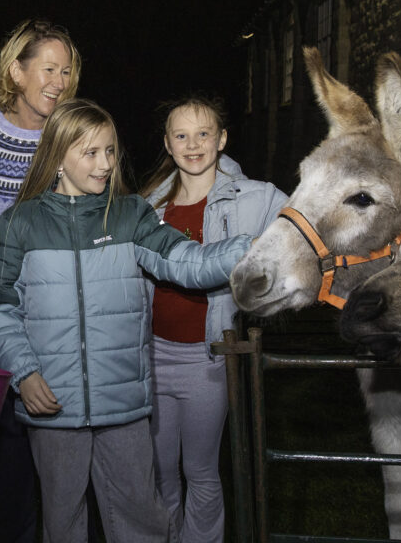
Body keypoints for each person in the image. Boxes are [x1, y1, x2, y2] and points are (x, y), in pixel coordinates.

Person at [0, 98, 255, 543]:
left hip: (123, 407)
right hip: (53, 406)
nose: (105, 164)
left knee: (141, 520)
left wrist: (255, 247)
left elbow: (189, 263)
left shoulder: (130, 215)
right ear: (58, 156)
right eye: (91, 153)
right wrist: (24, 374)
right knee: (62, 522)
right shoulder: (20, 223)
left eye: (110, 151)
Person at [0, 19, 81, 543]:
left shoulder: (71, 137)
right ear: (17, 71)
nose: (60, 81)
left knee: (54, 445)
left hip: (58, 317)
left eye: (68, 72)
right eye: (49, 69)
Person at [140, 96, 287, 543]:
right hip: (152, 355)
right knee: (161, 471)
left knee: (199, 468)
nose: (193, 144)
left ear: (222, 139)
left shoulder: (258, 198)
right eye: (181, 135)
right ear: (167, 144)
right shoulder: (149, 206)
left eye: (204, 133)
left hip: (208, 358)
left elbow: (304, 236)